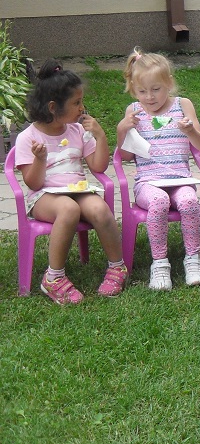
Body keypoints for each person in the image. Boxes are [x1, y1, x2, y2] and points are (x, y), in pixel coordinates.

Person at [14, 61, 127, 304]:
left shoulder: (77, 131)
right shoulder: (28, 137)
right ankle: (53, 278)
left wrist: (100, 135)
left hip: (77, 190)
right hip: (44, 196)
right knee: (68, 209)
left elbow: (98, 166)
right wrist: (40, 160)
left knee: (99, 208)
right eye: (76, 103)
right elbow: (33, 183)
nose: (82, 108)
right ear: (53, 107)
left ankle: (117, 266)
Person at [116, 49, 200, 290]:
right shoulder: (134, 111)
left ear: (169, 83)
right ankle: (159, 263)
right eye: (142, 91)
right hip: (147, 183)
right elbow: (126, 156)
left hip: (180, 179)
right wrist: (122, 129)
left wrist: (190, 131)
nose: (149, 97)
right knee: (159, 202)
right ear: (134, 90)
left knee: (189, 201)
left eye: (156, 89)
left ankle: (193, 259)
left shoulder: (183, 105)